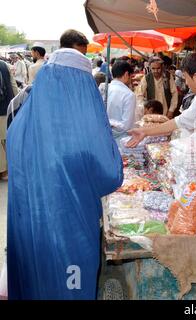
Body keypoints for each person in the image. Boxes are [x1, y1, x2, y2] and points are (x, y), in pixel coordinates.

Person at [6, 29, 123, 300]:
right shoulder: (83, 129)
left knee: (36, 282)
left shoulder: (21, 123)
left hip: (29, 232)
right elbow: (110, 175)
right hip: (69, 231)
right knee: (70, 285)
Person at [106, 60, 137, 143]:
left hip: (104, 135)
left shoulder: (104, 88)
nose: (131, 79)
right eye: (131, 76)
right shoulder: (129, 95)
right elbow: (126, 126)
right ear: (127, 74)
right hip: (121, 140)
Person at [0, 60, 18, 181]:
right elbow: (13, 85)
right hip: (4, 107)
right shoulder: (4, 65)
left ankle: (3, 170)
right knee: (5, 139)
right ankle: (7, 169)